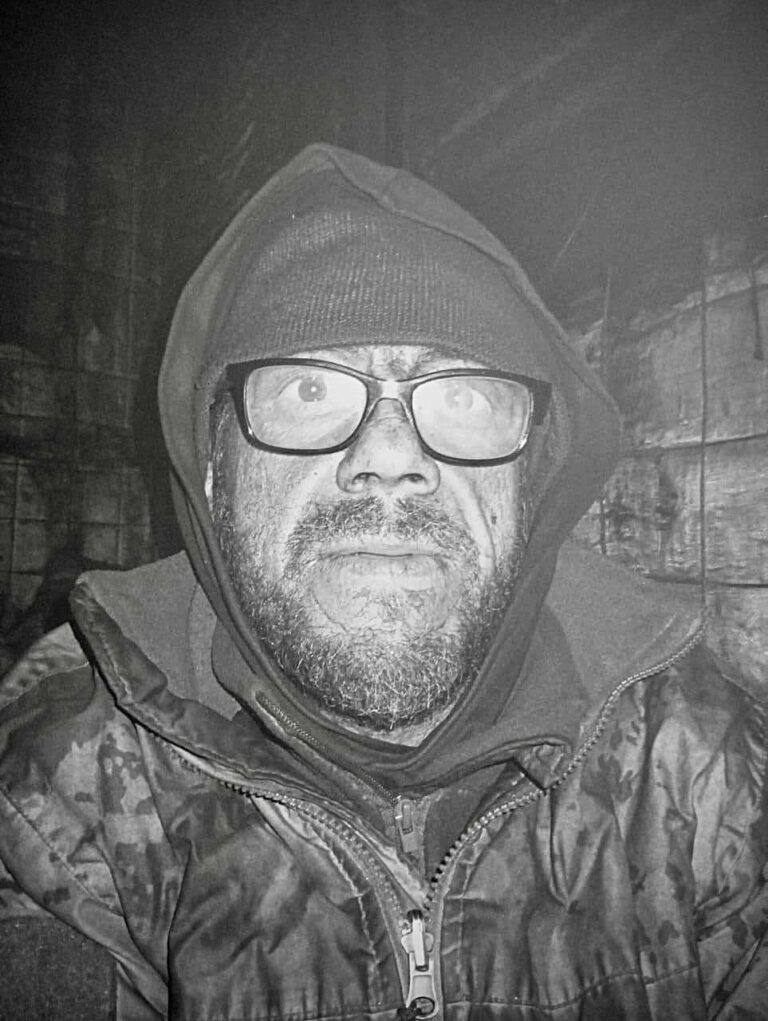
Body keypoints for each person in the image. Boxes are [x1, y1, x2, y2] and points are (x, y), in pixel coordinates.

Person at [0, 144, 765, 1021]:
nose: (391, 457)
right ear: (213, 468)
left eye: (464, 397)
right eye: (309, 390)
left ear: (534, 477)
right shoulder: (52, 801)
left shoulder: (707, 774)